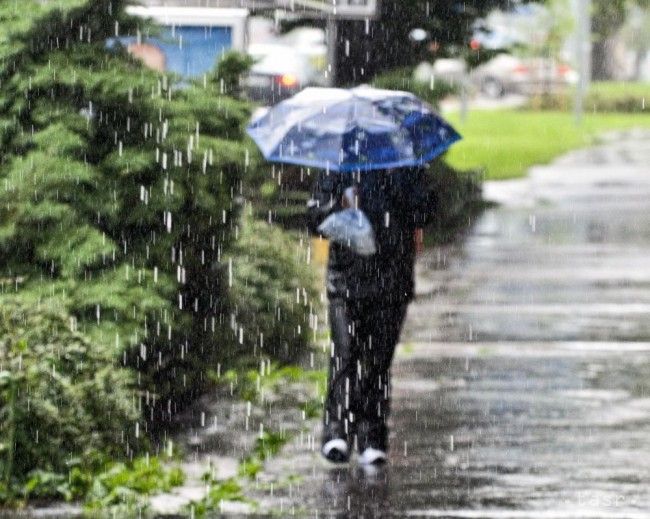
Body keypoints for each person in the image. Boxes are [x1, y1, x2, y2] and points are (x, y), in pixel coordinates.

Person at [307, 166, 434, 465]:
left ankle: (372, 434)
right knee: (345, 351)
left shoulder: (407, 169)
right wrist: (337, 207)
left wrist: (398, 193)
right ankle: (336, 429)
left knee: (378, 359)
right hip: (346, 281)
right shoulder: (339, 168)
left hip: (392, 280)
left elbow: (426, 211)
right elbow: (313, 218)